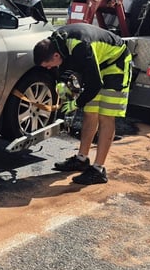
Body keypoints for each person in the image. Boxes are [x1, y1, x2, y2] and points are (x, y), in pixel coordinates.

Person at [33, 23, 132, 185]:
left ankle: (99, 170)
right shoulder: (56, 43)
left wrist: (76, 104)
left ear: (56, 56)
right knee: (90, 112)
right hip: (97, 62)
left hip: (116, 64)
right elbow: (63, 72)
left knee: (106, 116)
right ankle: (81, 159)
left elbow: (95, 84)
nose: (49, 68)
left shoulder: (80, 48)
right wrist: (62, 88)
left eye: (49, 65)